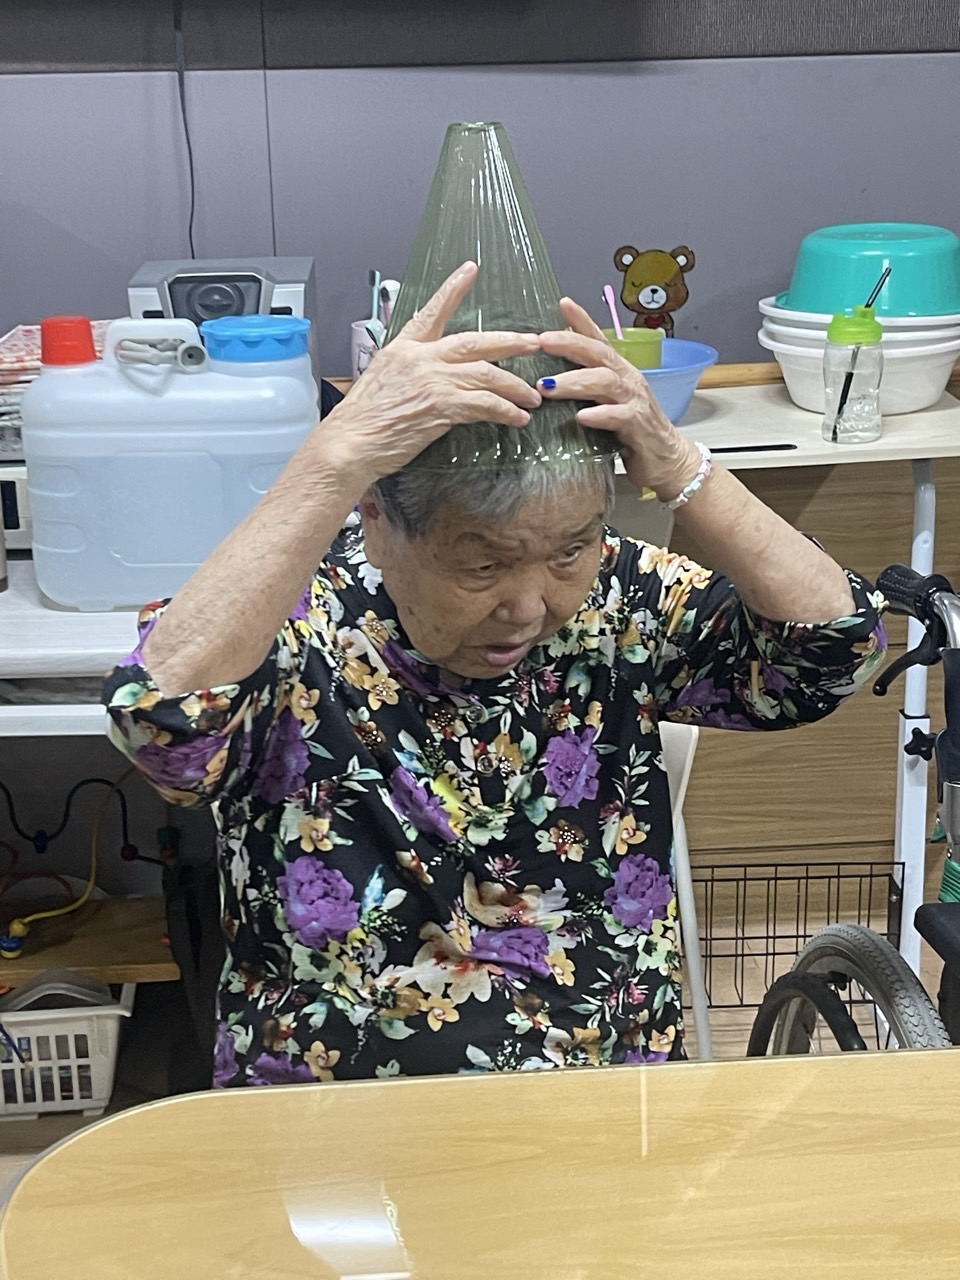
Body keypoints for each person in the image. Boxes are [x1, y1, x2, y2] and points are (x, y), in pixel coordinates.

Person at [104, 263, 886, 1085]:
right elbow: (165, 733)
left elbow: (831, 650)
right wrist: (334, 458)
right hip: (332, 1106)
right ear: (376, 521)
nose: (529, 607)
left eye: (569, 551)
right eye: (482, 565)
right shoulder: (301, 622)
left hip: (600, 1085)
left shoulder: (620, 597)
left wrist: (680, 463)